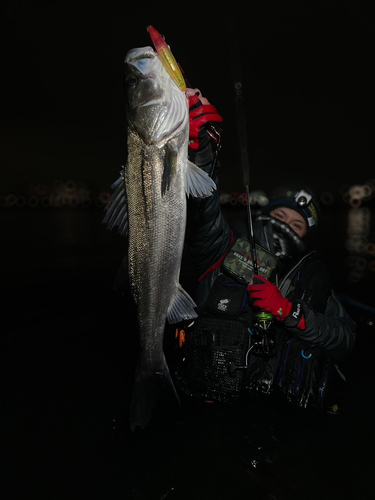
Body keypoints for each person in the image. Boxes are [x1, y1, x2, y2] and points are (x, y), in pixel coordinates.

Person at [175, 89, 356, 413]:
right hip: (205, 406)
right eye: (279, 216)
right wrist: (202, 150)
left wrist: (290, 312)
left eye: (297, 224)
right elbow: (202, 210)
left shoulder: (311, 279)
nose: (285, 225)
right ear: (263, 217)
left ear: (306, 238)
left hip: (274, 415)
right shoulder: (221, 247)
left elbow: (345, 340)